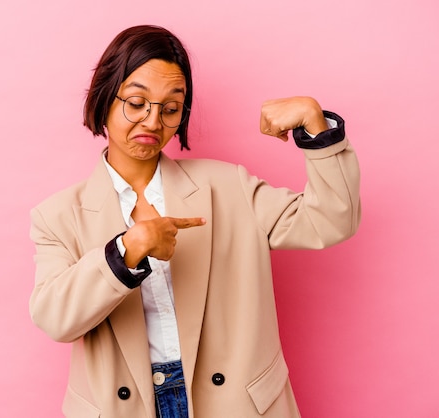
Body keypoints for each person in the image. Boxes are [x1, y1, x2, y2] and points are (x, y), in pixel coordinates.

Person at [29, 25, 361, 418]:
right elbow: (54, 319)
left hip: (234, 404)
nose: (153, 122)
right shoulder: (57, 216)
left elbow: (330, 220)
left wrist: (315, 128)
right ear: (104, 99)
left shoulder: (227, 186)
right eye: (137, 103)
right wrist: (126, 251)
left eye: (170, 108)